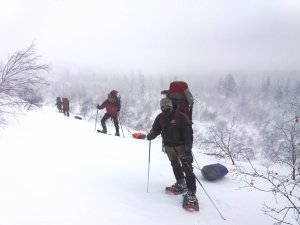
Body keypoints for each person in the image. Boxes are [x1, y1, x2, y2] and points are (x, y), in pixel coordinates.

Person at [146, 97, 198, 208]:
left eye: (167, 106)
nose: (165, 108)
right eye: (163, 107)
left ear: (171, 106)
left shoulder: (181, 117)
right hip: (169, 147)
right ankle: (180, 182)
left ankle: (191, 192)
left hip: (181, 147)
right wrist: (151, 135)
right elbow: (156, 129)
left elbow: (188, 134)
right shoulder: (160, 118)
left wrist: (188, 150)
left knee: (187, 168)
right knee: (175, 165)